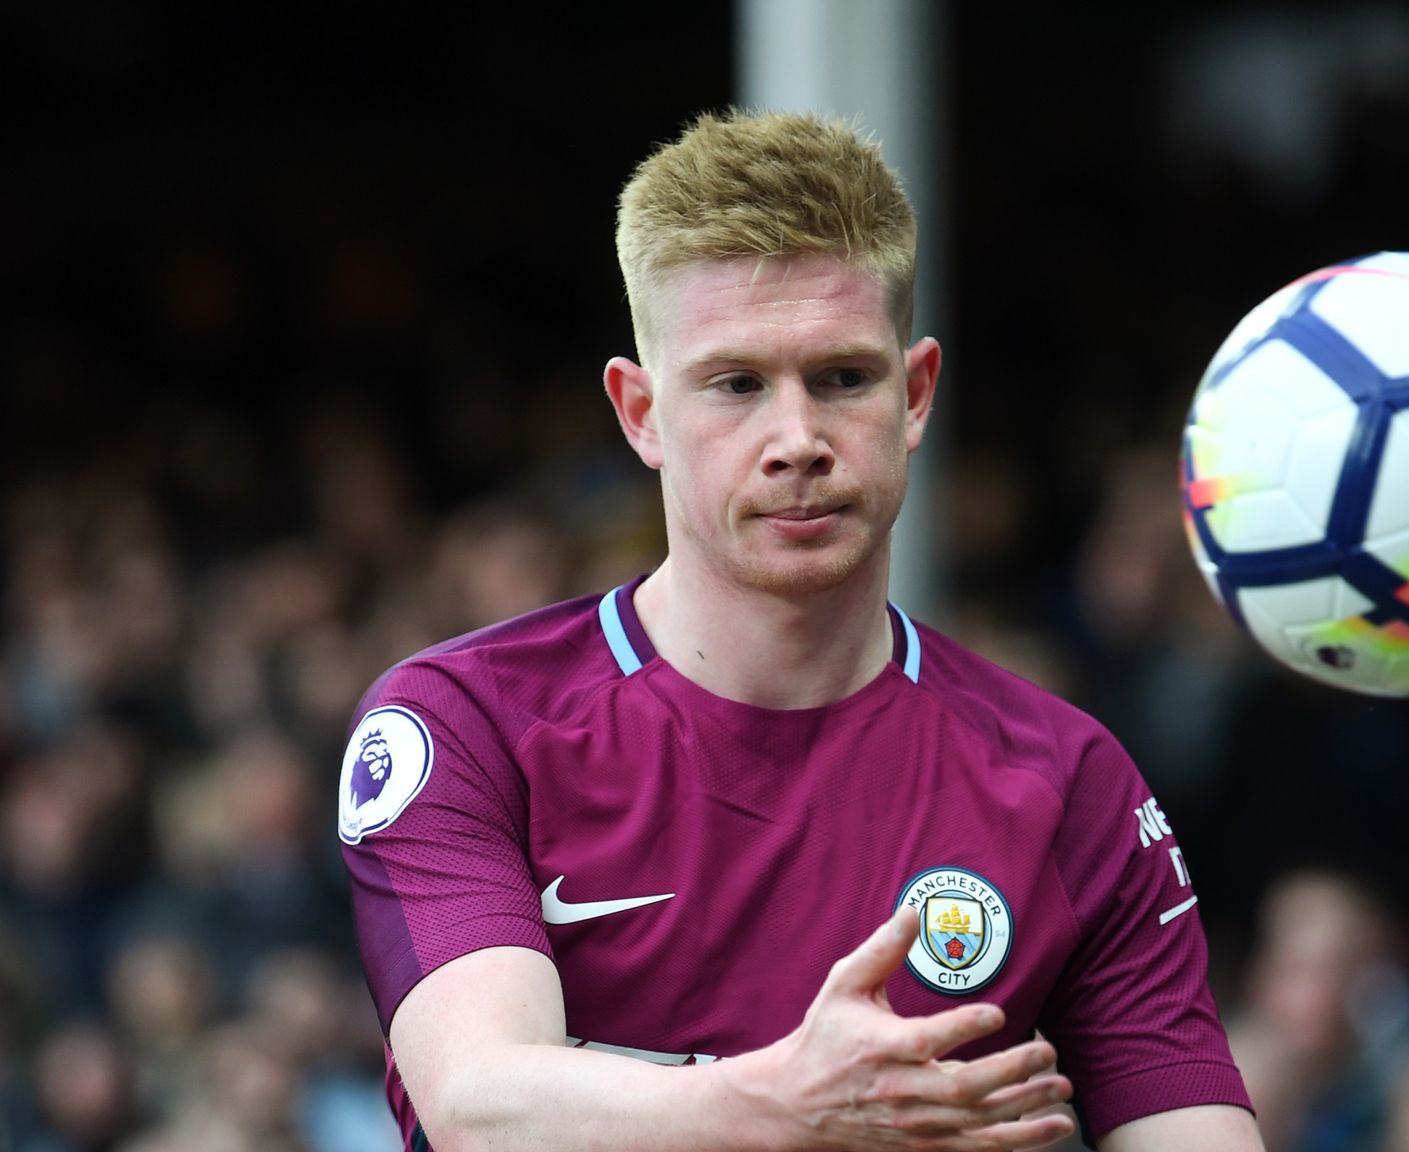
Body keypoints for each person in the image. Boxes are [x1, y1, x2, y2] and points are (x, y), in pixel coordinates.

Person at [335, 109, 1259, 1152]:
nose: (797, 439)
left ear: (916, 394)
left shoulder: (1068, 783)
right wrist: (784, 1107)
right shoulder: (467, 724)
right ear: (640, 413)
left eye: (842, 379)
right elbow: (482, 1110)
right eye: (736, 385)